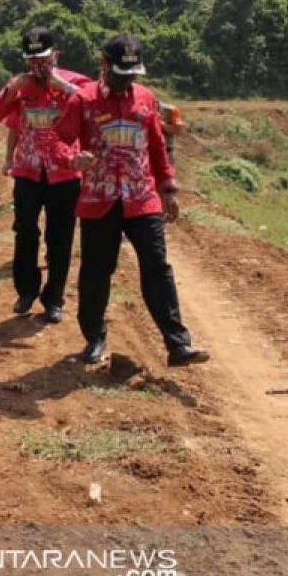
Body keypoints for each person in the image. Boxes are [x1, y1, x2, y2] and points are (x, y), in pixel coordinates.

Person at [54, 34, 209, 367]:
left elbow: (156, 147)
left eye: (131, 75)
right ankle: (94, 337)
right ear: (104, 65)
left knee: (157, 265)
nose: (126, 82)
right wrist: (72, 158)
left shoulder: (146, 99)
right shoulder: (83, 101)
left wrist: (168, 188)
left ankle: (177, 343)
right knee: (96, 272)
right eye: (119, 74)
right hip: (100, 199)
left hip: (141, 197)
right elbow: (59, 141)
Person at [0, 26, 93, 324]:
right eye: (32, 61)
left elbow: (94, 104)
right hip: (28, 172)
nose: (38, 67)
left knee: (60, 238)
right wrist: (12, 89)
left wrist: (62, 86)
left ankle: (54, 298)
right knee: (25, 232)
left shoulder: (74, 82)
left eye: (43, 59)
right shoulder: (21, 87)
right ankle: (26, 290)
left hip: (64, 173)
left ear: (55, 55)